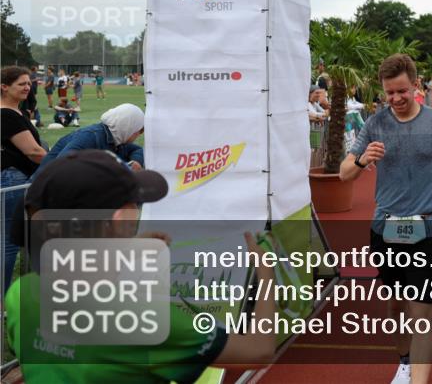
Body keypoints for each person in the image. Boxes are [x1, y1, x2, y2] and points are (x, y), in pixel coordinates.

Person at [4, 150, 278, 382]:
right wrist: (266, 273)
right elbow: (258, 349)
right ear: (119, 219)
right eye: (135, 203)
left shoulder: (20, 293)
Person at [340, 54, 432, 384]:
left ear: (416, 86)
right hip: (385, 229)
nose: (396, 99)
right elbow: (344, 174)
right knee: (395, 306)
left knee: (421, 312)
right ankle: (404, 363)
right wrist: (362, 160)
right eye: (390, 93)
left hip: (428, 229)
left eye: (402, 91)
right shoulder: (375, 123)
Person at [1, 67, 47, 293]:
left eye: (29, 83)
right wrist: (60, 165)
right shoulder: (6, 114)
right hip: (13, 181)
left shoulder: (16, 112)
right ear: (4, 87)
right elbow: (34, 152)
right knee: (9, 243)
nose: (27, 87)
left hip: (16, 179)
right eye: (21, 84)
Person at [42, 103, 145, 170]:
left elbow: (138, 150)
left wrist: (136, 162)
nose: (138, 134)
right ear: (128, 127)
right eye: (139, 131)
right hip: (43, 193)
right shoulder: (91, 136)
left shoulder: (117, 138)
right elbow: (62, 165)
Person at [308, 85, 328, 167]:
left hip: (315, 132)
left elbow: (324, 114)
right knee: (312, 151)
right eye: (316, 93)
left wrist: (321, 116)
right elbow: (316, 114)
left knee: (316, 151)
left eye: (319, 93)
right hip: (310, 132)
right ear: (310, 94)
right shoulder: (307, 104)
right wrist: (320, 116)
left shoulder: (315, 104)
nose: (318, 95)